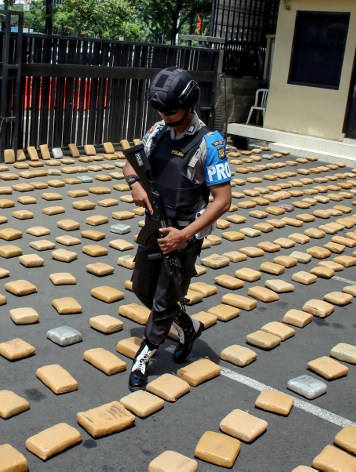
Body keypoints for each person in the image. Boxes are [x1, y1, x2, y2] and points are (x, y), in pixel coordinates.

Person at [122, 66, 232, 391]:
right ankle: (185, 322)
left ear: (189, 103)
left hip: (184, 235)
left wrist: (184, 235)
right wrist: (134, 184)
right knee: (141, 286)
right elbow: (131, 160)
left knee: (163, 298)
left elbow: (222, 200)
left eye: (171, 110)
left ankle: (145, 355)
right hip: (155, 226)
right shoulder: (157, 131)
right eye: (161, 109)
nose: (165, 115)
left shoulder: (211, 143)